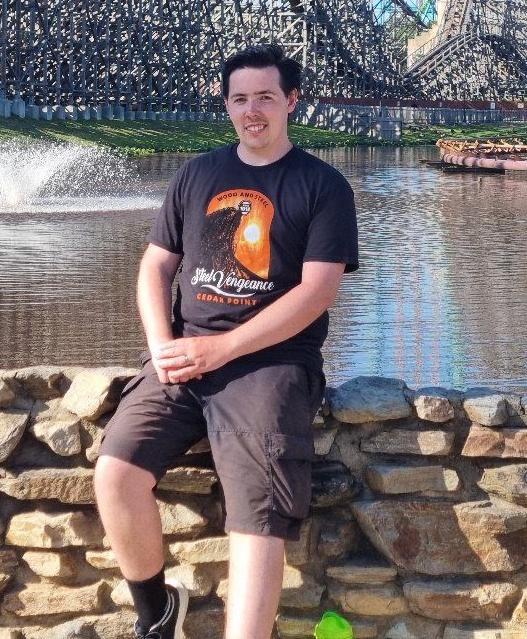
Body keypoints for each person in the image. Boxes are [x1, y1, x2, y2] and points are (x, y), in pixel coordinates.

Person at [94, 44, 360, 639]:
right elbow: (154, 268)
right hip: (185, 355)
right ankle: (156, 614)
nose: (252, 110)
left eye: (265, 97)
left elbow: (317, 293)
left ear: (292, 101)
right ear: (227, 106)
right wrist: (162, 344)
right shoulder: (198, 173)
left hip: (271, 363)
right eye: (240, 99)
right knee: (115, 473)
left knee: (255, 512)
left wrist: (224, 349)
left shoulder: (323, 186)